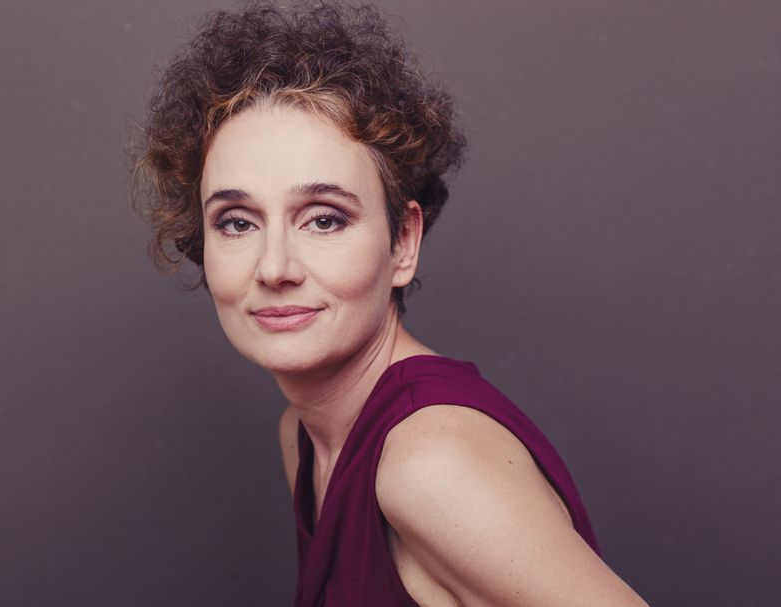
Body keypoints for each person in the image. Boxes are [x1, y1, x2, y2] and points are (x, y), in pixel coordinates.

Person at [130, 1, 649, 605]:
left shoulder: (428, 460)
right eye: (237, 222)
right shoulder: (304, 434)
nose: (274, 268)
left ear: (403, 241)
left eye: (324, 219)